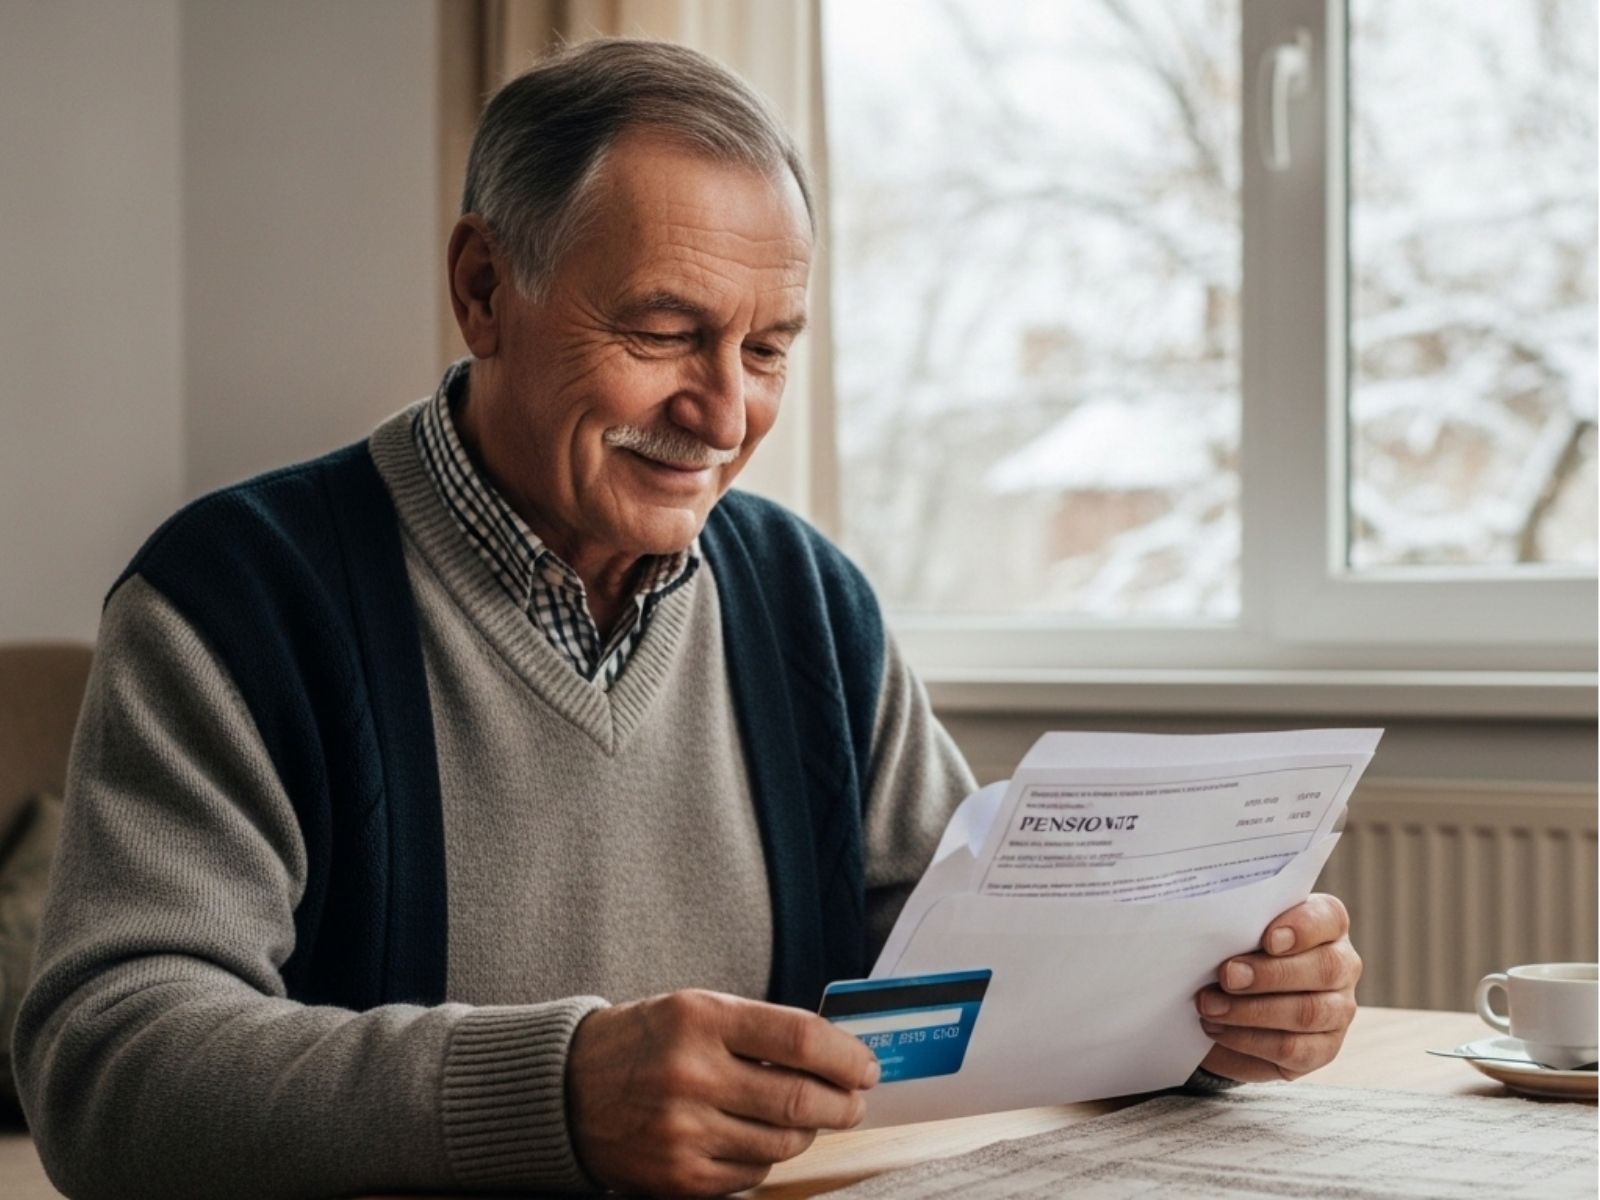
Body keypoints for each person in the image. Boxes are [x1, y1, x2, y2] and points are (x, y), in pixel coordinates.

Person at [16, 37, 1361, 1200]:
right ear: (484, 288)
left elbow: (968, 981)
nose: (724, 416)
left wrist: (1204, 1009)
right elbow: (108, 1066)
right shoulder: (238, 599)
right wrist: (549, 1093)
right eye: (665, 334)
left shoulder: (810, 603)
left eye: (768, 348)